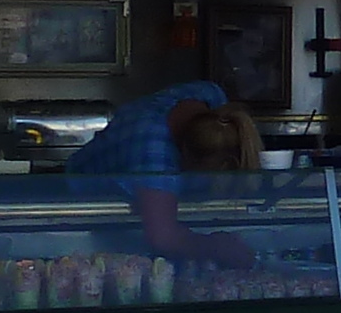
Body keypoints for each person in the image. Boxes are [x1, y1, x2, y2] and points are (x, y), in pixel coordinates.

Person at [70, 76, 268, 262]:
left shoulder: (209, 96)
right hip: (79, 216)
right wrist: (218, 247)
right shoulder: (153, 149)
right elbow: (163, 238)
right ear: (185, 159)